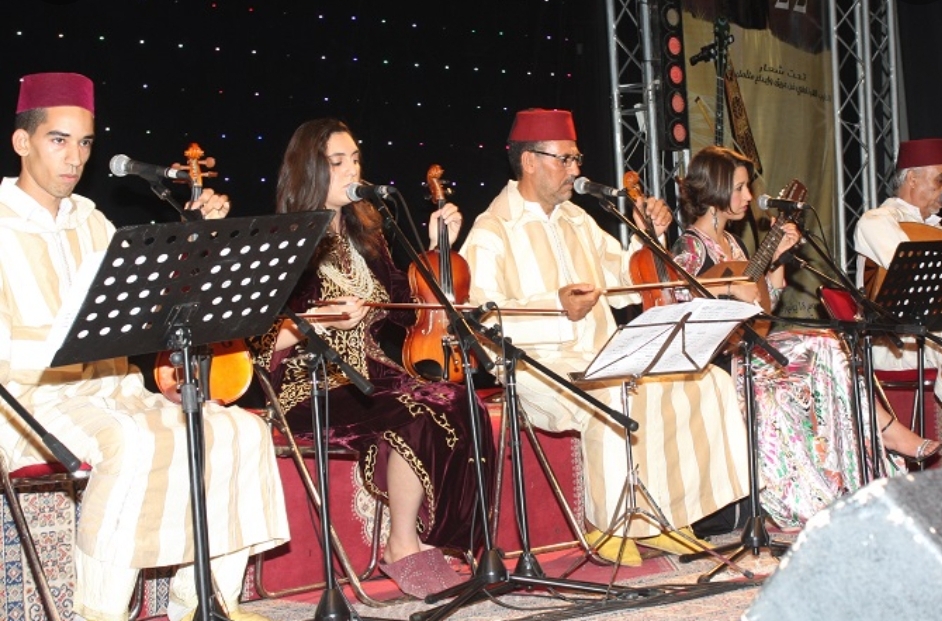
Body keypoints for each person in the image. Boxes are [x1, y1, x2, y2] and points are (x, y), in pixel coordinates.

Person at [0, 72, 289, 621]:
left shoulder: (93, 221)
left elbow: (153, 308)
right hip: (28, 405)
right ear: (22, 142)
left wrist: (201, 240)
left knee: (240, 431)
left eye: (85, 143)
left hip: (113, 393)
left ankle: (203, 601)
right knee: (132, 442)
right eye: (58, 140)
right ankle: (100, 612)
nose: (74, 158)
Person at [459, 108, 749, 566]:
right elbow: (479, 318)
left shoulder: (578, 220)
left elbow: (627, 282)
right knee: (614, 389)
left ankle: (670, 518)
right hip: (535, 367)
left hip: (601, 354)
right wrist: (556, 307)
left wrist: (648, 235)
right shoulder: (492, 230)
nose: (576, 169)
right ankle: (610, 525)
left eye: (577, 158)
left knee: (704, 379)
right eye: (565, 159)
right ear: (530, 161)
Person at [246, 118, 494, 599]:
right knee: (415, 410)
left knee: (461, 399)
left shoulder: (368, 236)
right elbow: (256, 342)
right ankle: (401, 544)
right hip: (310, 381)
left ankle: (443, 540)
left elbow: (407, 304)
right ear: (308, 170)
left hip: (374, 372)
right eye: (337, 161)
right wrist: (318, 322)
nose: (352, 170)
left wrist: (437, 247)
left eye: (355, 159)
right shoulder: (283, 240)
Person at [672, 145, 941, 526]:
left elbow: (763, 309)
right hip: (717, 362)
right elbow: (679, 301)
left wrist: (777, 261)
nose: (749, 196)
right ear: (715, 189)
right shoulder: (691, 245)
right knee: (820, 344)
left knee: (830, 343)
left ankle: (852, 470)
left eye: (748, 187)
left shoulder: (734, 244)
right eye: (740, 188)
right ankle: (882, 435)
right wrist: (729, 289)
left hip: (748, 349)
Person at [854, 138, 942, 455]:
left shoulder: (941, 233)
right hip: (888, 342)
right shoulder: (875, 222)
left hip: (931, 335)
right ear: (912, 178)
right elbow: (914, 277)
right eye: (940, 180)